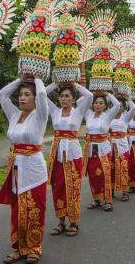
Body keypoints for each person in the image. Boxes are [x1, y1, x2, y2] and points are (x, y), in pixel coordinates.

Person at [0, 75, 49, 264]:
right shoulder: (14, 115)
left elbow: (43, 93)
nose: (22, 97)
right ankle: (20, 247)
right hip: (16, 169)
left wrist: (36, 78)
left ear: (35, 98)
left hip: (34, 170)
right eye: (20, 94)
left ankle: (34, 247)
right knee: (18, 210)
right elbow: (2, 94)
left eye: (27, 94)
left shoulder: (41, 115)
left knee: (34, 208)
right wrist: (19, 80)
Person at [45, 82, 93, 237]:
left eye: (67, 96)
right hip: (57, 155)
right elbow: (41, 94)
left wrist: (74, 84)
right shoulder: (55, 111)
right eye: (62, 96)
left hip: (73, 155)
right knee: (57, 187)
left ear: (73, 99)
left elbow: (89, 95)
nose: (64, 99)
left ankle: (73, 222)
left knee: (72, 188)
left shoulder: (78, 112)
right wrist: (56, 83)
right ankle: (61, 222)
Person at [84, 92, 121, 211]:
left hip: (103, 149)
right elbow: (81, 102)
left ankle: (108, 200)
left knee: (105, 174)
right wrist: (92, 94)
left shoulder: (107, 116)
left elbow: (117, 104)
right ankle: (96, 199)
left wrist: (107, 94)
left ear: (105, 106)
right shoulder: (88, 114)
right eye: (96, 103)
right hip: (91, 149)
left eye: (101, 103)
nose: (98, 105)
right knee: (93, 175)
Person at [109, 96, 135, 202]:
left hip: (122, 146)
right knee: (111, 168)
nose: (118, 108)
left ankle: (125, 191)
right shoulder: (109, 117)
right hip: (110, 145)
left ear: (124, 108)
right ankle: (110, 189)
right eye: (116, 106)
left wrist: (128, 99)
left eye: (120, 106)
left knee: (123, 167)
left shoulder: (125, 117)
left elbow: (133, 109)